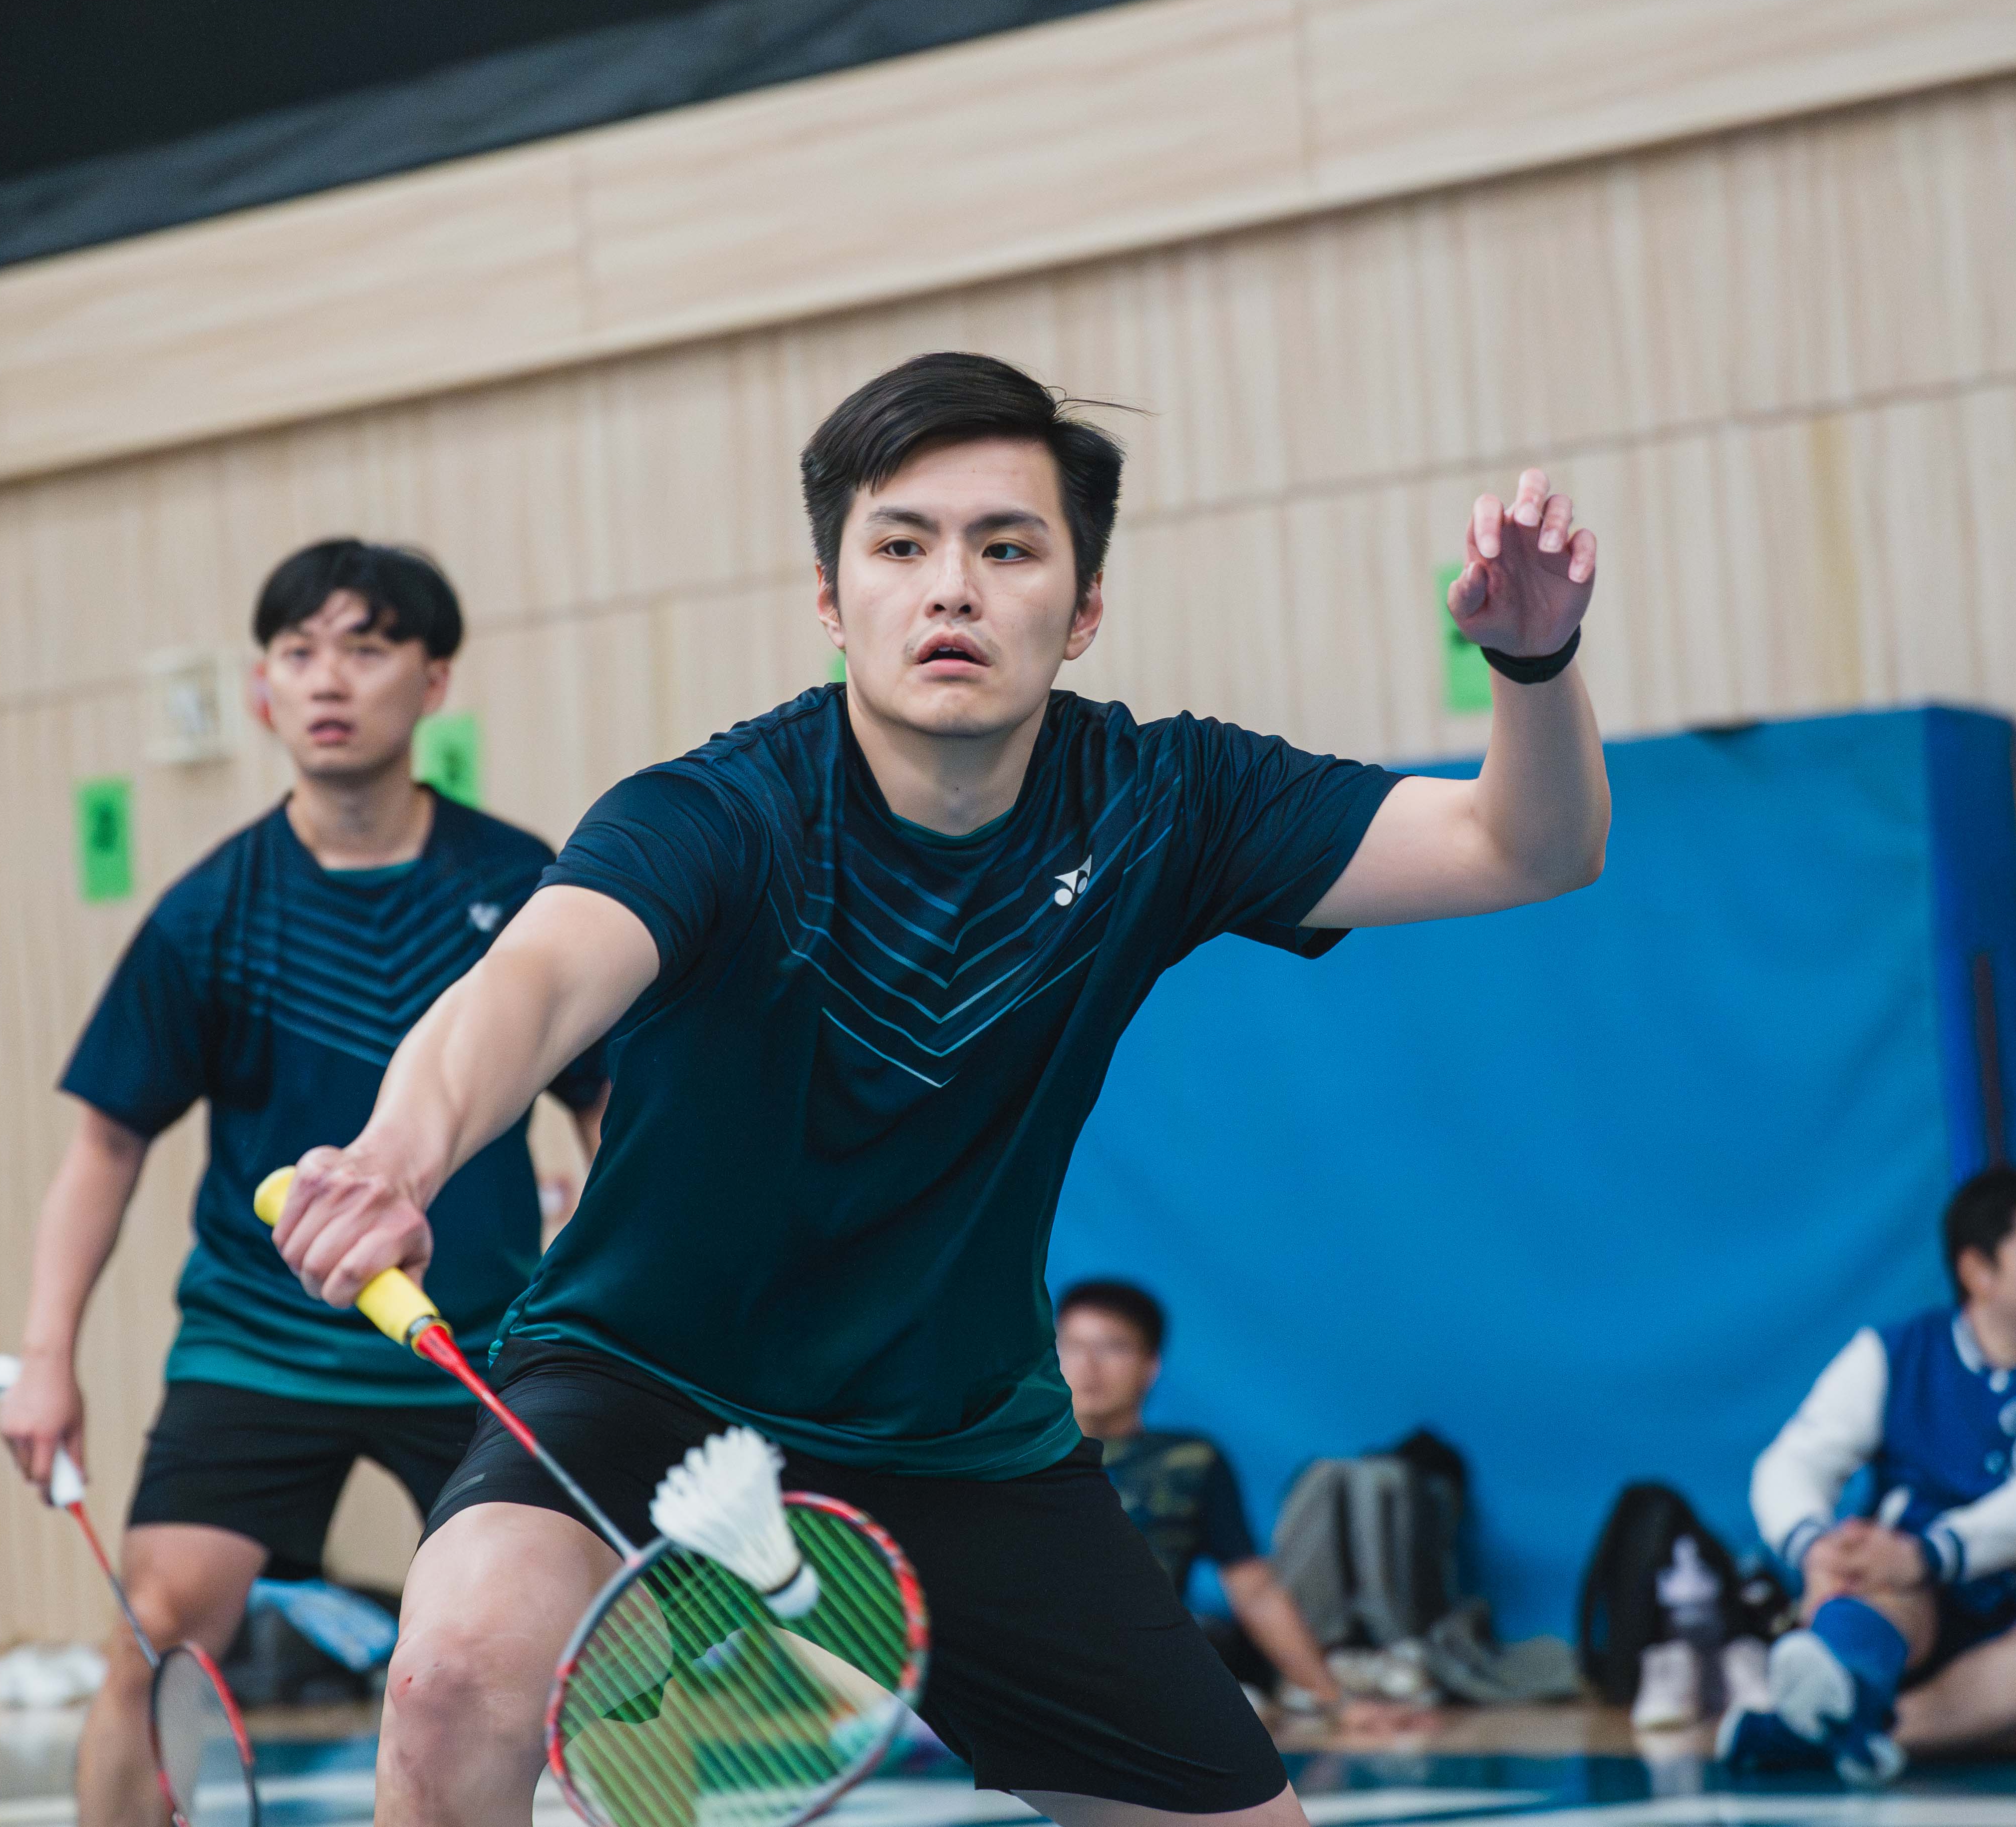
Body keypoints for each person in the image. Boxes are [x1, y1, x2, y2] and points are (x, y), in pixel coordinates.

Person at [272, 351, 1608, 1827]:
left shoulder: (1165, 800)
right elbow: (526, 985)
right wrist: (399, 1152)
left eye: (1007, 547)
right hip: (641, 1386)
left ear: (1082, 608)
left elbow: (1525, 846)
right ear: (832, 598)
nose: (951, 588)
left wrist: (1533, 665)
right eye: (900, 546)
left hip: (961, 1443)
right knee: (452, 1672)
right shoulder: (721, 815)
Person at [0, 540, 605, 1827]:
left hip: (474, 1338)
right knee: (157, 1626)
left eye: (367, 648)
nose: (328, 679)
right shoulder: (210, 912)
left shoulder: (518, 886)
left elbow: (613, 1110)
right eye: (298, 651)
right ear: (261, 688)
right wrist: (45, 1355)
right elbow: (105, 1145)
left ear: (433, 681)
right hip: (259, 1338)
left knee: (562, 1654)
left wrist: (624, 1313)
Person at [1728, 1167, 2016, 1784]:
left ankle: (1841, 1730)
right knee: (1855, 1580)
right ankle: (1846, 1683)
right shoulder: (1894, 1353)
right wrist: (1813, 1545)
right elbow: (1792, 1462)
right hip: (1912, 1606)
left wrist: (1928, 1554)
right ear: (1978, 1270)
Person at [1054, 1278, 1410, 1733]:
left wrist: (1335, 1702)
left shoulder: (1190, 1461)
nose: (1088, 1366)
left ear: (1150, 1365)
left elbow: (1254, 1590)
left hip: (1137, 1673)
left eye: (1113, 1347)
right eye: (1071, 1346)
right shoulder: (1011, 1457)